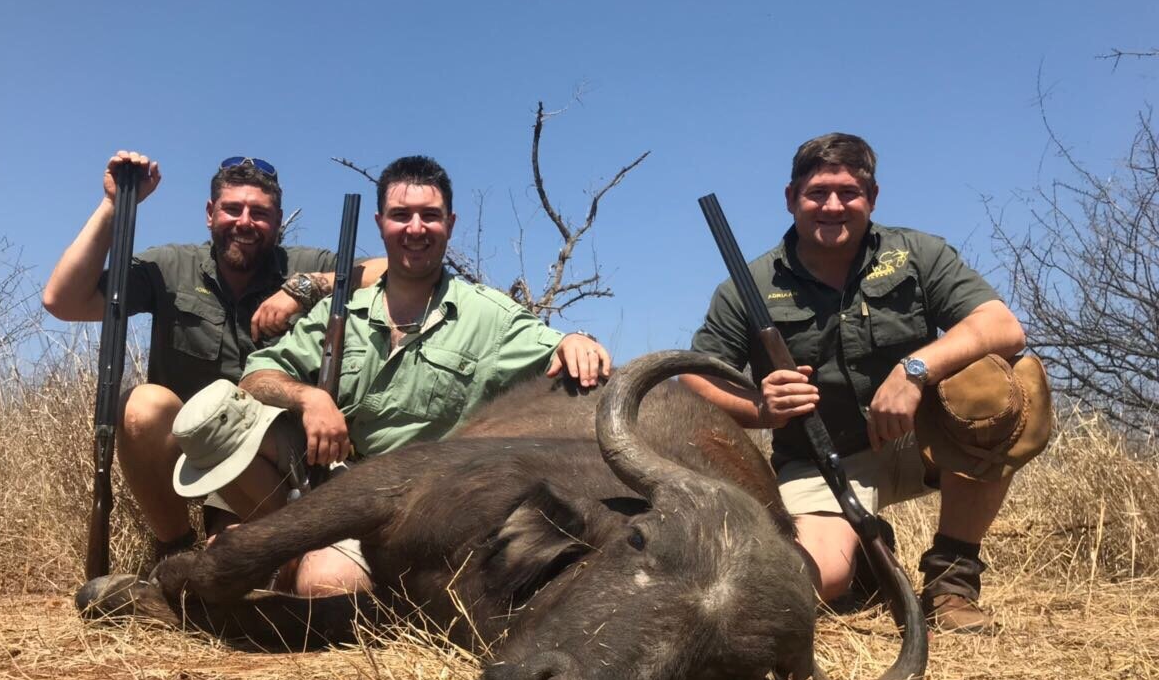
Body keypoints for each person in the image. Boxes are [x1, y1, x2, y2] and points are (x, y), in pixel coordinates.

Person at [165, 154, 612, 599]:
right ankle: (273, 547)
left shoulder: (489, 316)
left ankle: (293, 559)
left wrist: (577, 339)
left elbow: (557, 349)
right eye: (401, 216)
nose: (415, 229)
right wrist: (310, 400)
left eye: (429, 216)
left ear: (450, 224)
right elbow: (256, 377)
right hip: (334, 484)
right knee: (224, 420)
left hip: (418, 506)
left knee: (327, 584)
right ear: (381, 223)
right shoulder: (341, 312)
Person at [681, 133, 1043, 633]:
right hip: (821, 460)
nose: (833, 205)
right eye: (816, 193)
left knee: (995, 387)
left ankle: (952, 582)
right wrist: (761, 408)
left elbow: (1002, 326)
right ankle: (865, 562)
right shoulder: (748, 284)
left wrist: (914, 370)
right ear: (791, 199)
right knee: (810, 581)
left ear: (871, 198)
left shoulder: (918, 254)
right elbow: (696, 377)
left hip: (921, 440)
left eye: (849, 193)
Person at [43, 151, 384, 559]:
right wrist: (114, 206)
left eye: (259, 213)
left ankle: (259, 546)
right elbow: (62, 301)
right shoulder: (171, 266)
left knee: (233, 551)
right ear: (210, 213)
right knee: (142, 407)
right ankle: (172, 550)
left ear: (277, 222)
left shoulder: (304, 265)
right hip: (191, 448)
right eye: (232, 209)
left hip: (264, 459)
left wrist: (308, 287)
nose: (245, 222)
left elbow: (392, 272)